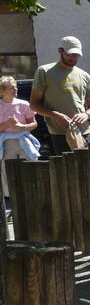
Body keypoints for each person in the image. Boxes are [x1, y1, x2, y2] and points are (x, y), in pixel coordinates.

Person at [29, 35, 90, 152]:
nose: (73, 58)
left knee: (88, 168)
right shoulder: (44, 71)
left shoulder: (85, 75)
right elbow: (34, 104)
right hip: (59, 133)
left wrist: (86, 115)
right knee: (64, 169)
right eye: (70, 54)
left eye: (77, 55)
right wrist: (55, 115)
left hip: (84, 131)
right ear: (60, 51)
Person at [0, 75, 39, 208]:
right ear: (2, 90)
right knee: (6, 171)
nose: (15, 89)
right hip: (6, 143)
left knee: (29, 167)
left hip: (24, 140)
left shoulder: (24, 104)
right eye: (11, 87)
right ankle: (12, 203)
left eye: (15, 86)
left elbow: (34, 124)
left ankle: (31, 200)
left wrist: (22, 127)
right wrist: (6, 124)